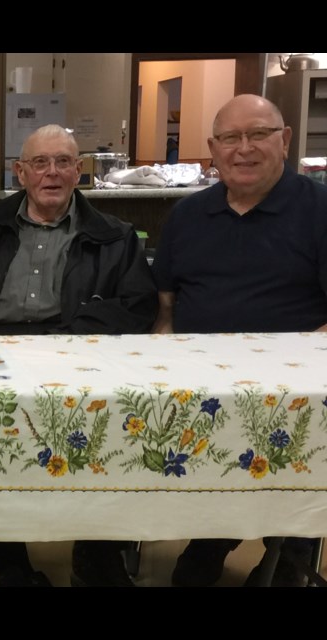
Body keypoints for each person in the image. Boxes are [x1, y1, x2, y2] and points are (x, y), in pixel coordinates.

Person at [0, 124, 157, 586]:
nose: (52, 173)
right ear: (20, 172)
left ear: (79, 172)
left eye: (63, 162)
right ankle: (10, 563)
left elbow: (136, 306)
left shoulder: (114, 235)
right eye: (40, 163)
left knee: (108, 426)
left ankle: (98, 550)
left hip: (79, 353)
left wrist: (66, 339)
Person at [153, 93, 327, 587]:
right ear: (213, 148)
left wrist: (290, 364)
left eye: (258, 135)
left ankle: (290, 555)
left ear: (285, 140)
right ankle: (212, 536)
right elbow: (165, 309)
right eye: (231, 138)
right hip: (200, 382)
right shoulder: (186, 217)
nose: (243, 149)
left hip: (297, 385)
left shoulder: (320, 210)